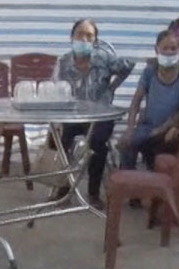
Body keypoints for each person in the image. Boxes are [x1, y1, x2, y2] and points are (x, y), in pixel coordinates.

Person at [52, 18, 135, 210]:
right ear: (71, 37)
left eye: (89, 36)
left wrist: (112, 88)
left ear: (95, 41)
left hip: (100, 115)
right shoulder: (63, 62)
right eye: (80, 34)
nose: (84, 39)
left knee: (98, 142)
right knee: (58, 139)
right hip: (72, 115)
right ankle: (63, 189)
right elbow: (55, 90)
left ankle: (93, 193)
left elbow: (127, 66)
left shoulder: (103, 59)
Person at [120, 29, 179, 170]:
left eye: (173, 48)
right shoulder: (150, 71)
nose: (169, 52)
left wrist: (164, 128)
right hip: (148, 126)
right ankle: (127, 185)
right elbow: (136, 101)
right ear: (157, 49)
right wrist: (130, 128)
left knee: (157, 146)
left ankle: (154, 182)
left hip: (171, 129)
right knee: (126, 144)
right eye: (165, 48)